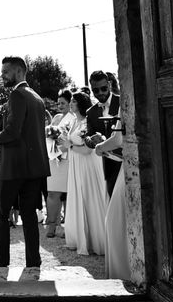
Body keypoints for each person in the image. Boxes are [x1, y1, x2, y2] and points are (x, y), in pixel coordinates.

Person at [0, 56, 50, 281]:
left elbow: (12, 132)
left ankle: (1, 266)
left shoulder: (17, 95)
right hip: (34, 168)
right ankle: (33, 265)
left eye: (6, 71)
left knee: (0, 214)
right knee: (29, 215)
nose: (2, 75)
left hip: (14, 167)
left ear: (20, 72)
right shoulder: (37, 97)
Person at [63, 91, 107, 255]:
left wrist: (70, 146)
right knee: (78, 197)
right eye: (71, 101)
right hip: (75, 163)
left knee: (89, 196)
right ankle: (79, 237)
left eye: (74, 101)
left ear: (81, 104)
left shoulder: (87, 122)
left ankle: (97, 240)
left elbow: (88, 150)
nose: (71, 104)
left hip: (87, 163)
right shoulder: (74, 120)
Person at [95, 118, 130, 279]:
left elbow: (118, 139)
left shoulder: (124, 100)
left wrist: (100, 146)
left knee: (114, 222)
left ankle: (124, 274)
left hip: (129, 167)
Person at [85, 71, 121, 198]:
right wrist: (93, 141)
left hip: (126, 162)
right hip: (109, 165)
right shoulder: (91, 112)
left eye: (103, 88)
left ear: (109, 85)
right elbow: (87, 137)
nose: (100, 93)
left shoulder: (122, 102)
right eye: (96, 90)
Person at [44, 89, 74, 238]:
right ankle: (51, 225)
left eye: (63, 103)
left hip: (67, 158)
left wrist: (61, 151)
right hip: (53, 159)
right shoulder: (55, 118)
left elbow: (71, 140)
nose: (60, 105)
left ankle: (68, 226)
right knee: (52, 193)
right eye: (58, 103)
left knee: (69, 194)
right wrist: (53, 152)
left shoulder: (74, 118)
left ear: (70, 103)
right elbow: (49, 137)